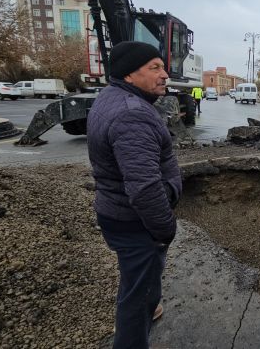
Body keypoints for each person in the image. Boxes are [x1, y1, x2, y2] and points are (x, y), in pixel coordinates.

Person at [87, 41, 181, 348]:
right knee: (136, 297)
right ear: (129, 74)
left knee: (139, 281)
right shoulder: (132, 115)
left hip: (117, 212)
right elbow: (144, 189)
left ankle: (148, 305)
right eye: (154, 68)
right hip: (134, 221)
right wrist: (164, 230)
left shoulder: (111, 97)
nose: (164, 74)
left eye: (162, 67)